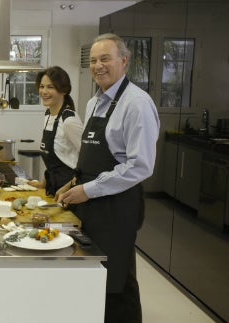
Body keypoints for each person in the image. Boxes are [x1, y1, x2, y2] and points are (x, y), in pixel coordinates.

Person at [57, 33, 160, 323]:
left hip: (117, 206)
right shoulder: (94, 103)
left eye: (105, 58)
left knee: (116, 281)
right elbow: (89, 155)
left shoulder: (136, 104)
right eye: (93, 60)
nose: (98, 66)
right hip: (91, 202)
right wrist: (74, 181)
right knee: (93, 273)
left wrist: (89, 190)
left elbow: (140, 165)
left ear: (123, 61)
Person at [27, 66, 83, 196]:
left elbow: (87, 161)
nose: (44, 92)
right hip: (54, 190)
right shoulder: (48, 115)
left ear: (63, 90)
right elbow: (54, 164)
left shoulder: (69, 121)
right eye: (42, 86)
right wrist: (43, 184)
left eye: (50, 87)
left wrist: (67, 188)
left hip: (71, 193)